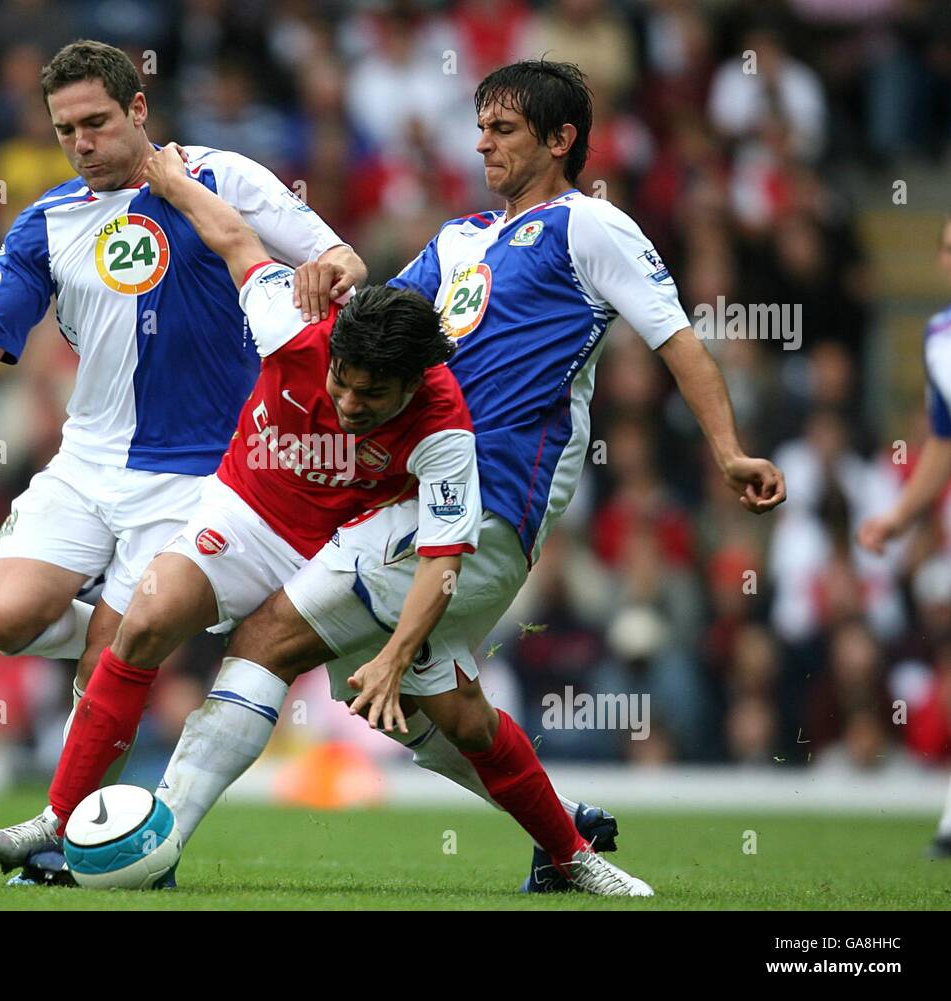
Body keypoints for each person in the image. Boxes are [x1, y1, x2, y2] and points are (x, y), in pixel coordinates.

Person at [154, 59, 787, 894]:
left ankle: (153, 842)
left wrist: (727, 450)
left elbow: (677, 339)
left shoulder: (588, 226)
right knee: (426, 703)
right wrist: (332, 277)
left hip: (490, 495)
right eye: (481, 125)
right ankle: (566, 837)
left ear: (562, 141)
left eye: (505, 129)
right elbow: (381, 328)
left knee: (268, 638)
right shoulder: (460, 238)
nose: (481, 142)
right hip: (410, 487)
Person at [0, 40, 363, 869]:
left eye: (97, 122)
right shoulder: (47, 221)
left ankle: (70, 835)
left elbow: (340, 257)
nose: (82, 143)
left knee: (114, 644)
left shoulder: (224, 178)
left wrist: (328, 276)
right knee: (3, 618)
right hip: (87, 458)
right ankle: (129, 645)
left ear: (139, 111)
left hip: (199, 469)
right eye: (66, 129)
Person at [857, 215, 951, 860]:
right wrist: (899, 517)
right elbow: (942, 446)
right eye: (944, 248)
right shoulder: (940, 338)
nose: (948, 260)